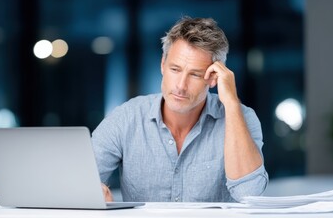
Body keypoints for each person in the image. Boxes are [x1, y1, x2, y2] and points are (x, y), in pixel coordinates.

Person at [91, 16, 268, 202]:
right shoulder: (126, 118)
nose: (181, 86)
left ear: (214, 77)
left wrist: (231, 103)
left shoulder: (242, 118)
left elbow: (250, 194)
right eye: (175, 70)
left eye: (195, 74)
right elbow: (78, 183)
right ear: (162, 65)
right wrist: (95, 194)